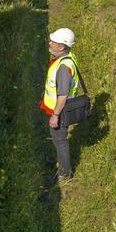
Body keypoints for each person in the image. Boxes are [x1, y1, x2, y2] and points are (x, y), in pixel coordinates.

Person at [40, 27, 81, 180]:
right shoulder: (68, 57)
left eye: (54, 42)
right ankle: (61, 163)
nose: (50, 43)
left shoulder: (63, 67)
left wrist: (55, 115)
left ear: (62, 47)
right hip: (62, 108)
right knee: (59, 139)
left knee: (60, 140)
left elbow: (62, 95)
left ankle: (64, 173)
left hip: (61, 110)